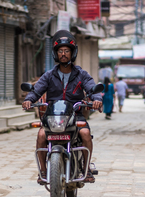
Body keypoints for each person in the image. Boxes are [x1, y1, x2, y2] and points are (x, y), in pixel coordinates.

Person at [22, 30, 102, 184]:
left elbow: (92, 88)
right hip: (53, 116)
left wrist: (96, 99)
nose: (63, 54)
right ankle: (43, 171)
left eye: (66, 51)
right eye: (60, 51)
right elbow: (37, 90)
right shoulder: (49, 75)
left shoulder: (81, 74)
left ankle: (86, 168)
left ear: (72, 53)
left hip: (75, 115)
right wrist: (29, 100)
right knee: (40, 136)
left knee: (85, 133)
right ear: (56, 54)